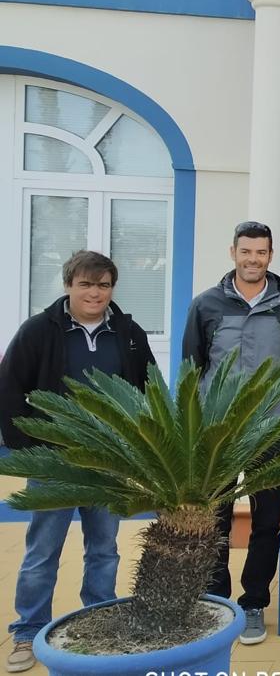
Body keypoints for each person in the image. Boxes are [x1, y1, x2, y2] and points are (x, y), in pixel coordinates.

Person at [0, 251, 155, 673]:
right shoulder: (38, 331)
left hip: (111, 461)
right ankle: (28, 631)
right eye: (87, 284)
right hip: (55, 461)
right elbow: (11, 388)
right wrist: (27, 449)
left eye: (103, 285)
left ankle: (99, 620)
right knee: (42, 551)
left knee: (104, 549)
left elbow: (150, 390)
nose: (95, 293)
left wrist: (142, 448)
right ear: (69, 284)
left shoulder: (128, 332)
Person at [185, 222, 280, 646]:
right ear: (233, 252)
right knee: (216, 520)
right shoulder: (206, 305)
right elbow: (192, 368)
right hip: (217, 433)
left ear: (270, 255)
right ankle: (217, 601)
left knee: (265, 520)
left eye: (260, 252)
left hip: (270, 431)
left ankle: (254, 601)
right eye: (246, 252)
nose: (252, 259)